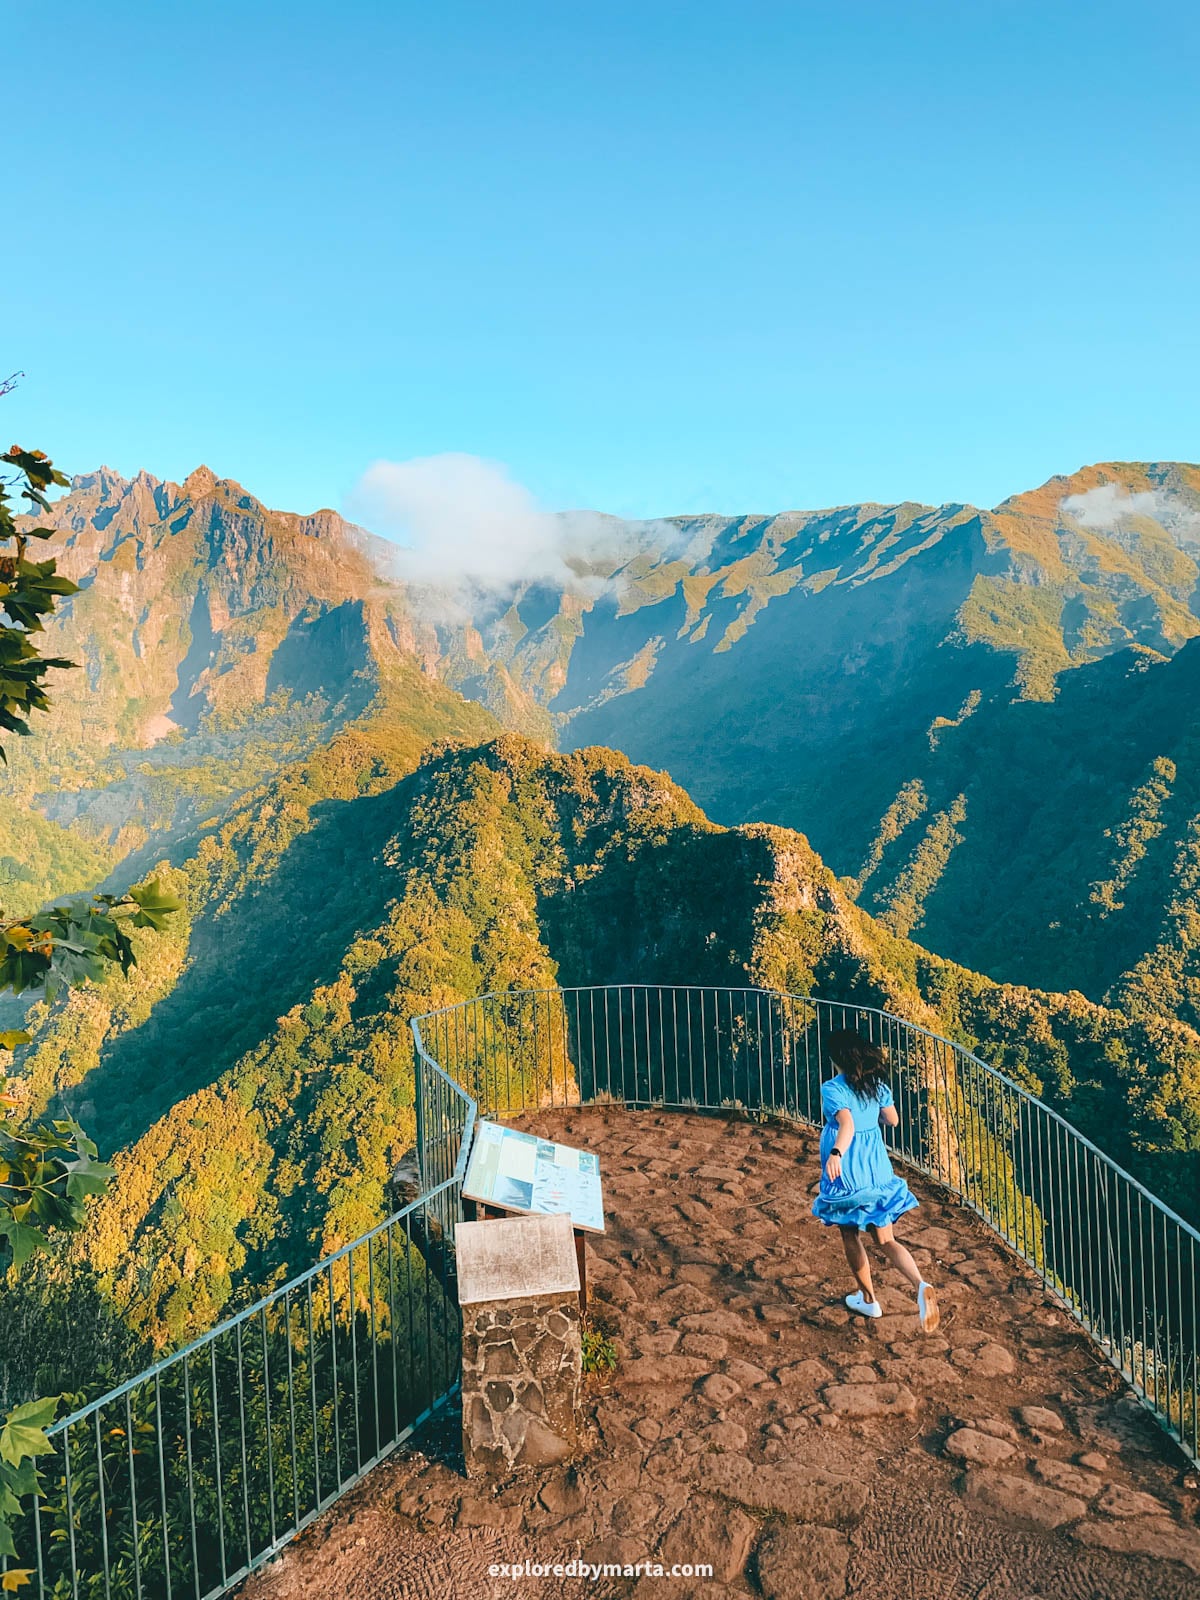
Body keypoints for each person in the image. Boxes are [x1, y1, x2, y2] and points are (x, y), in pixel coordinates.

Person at [811, 1027, 939, 1333]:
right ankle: (920, 1285)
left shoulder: (833, 1088)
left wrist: (836, 1154)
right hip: (877, 1168)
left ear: (836, 1059)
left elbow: (847, 1125)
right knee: (886, 1239)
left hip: (850, 1172)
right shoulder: (876, 1085)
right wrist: (873, 1116)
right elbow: (892, 1120)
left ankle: (869, 1300)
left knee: (850, 1234)